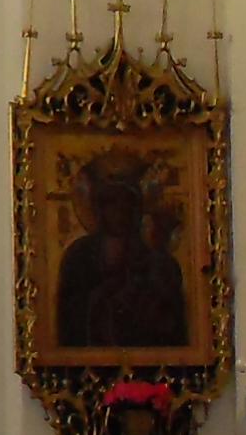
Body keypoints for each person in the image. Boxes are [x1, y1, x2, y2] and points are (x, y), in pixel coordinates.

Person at [54, 148, 191, 353]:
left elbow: (171, 327)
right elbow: (70, 321)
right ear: (98, 208)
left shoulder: (161, 263)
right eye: (110, 202)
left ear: (136, 208)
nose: (119, 210)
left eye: (126, 201)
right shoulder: (79, 256)